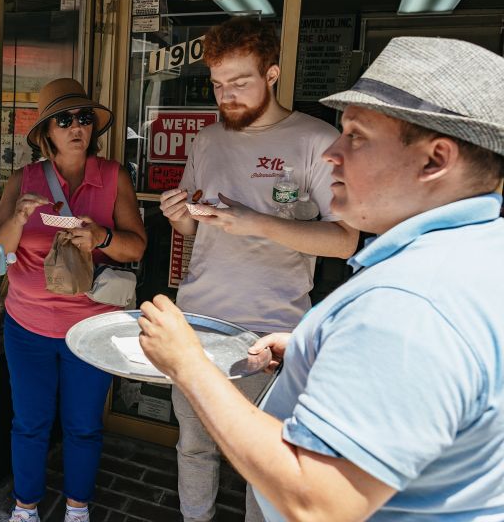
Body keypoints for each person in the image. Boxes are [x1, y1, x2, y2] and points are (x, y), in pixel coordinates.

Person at [139, 36, 504, 520]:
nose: (334, 151)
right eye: (217, 84)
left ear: (435, 160)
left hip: (257, 324)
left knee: (256, 469)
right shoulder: (472, 251)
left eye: (356, 135)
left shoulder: (410, 301)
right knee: (197, 446)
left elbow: (314, 499)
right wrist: (317, 339)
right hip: (207, 314)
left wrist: (187, 364)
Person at [158, 17, 359, 521]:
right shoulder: (206, 140)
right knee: (195, 446)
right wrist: (182, 218)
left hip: (270, 333)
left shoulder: (316, 140)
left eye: (240, 82)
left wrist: (258, 223)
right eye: (218, 84)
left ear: (272, 74)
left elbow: (344, 240)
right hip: (196, 324)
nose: (226, 96)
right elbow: (193, 232)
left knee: (265, 463)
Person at [0, 78, 147, 522]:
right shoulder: (24, 179)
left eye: (83, 118)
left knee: (83, 425)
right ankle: (25, 507)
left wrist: (102, 235)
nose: (76, 126)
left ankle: (77, 508)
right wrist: (19, 216)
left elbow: (136, 247)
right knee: (30, 423)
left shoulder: (113, 176)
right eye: (64, 119)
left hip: (92, 330)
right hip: (28, 326)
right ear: (46, 133)